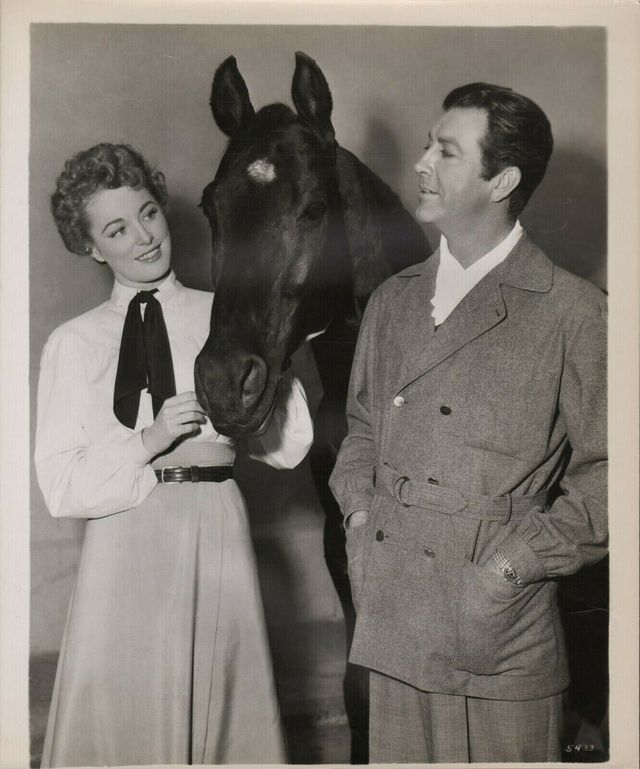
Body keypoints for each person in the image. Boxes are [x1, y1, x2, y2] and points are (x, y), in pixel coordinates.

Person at [329, 83, 607, 763]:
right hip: (392, 614)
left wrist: (512, 567)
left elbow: (614, 477)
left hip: (497, 632)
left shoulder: (573, 311)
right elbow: (361, 429)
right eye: (427, 145)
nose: (421, 163)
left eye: (446, 152)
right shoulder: (393, 300)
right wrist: (360, 519)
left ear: (502, 180)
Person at [35, 143, 313, 767]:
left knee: (222, 708)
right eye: (116, 230)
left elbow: (285, 448)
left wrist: (275, 352)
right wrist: (149, 440)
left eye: (148, 213)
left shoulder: (227, 315)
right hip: (124, 544)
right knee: (129, 717)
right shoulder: (73, 343)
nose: (144, 237)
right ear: (91, 248)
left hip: (216, 528)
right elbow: (61, 486)